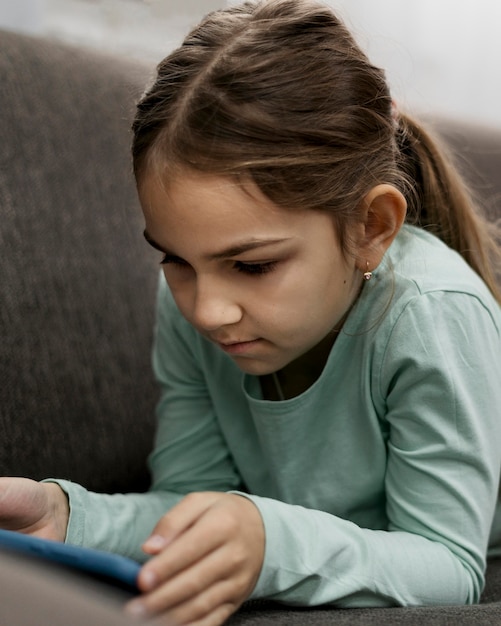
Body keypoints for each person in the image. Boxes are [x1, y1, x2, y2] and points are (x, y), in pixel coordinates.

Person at [1, 0, 501, 624]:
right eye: (176, 260)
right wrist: (68, 516)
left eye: (253, 265)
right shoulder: (188, 306)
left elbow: (451, 566)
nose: (206, 311)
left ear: (371, 226)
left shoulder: (431, 316)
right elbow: (188, 505)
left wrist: (269, 541)